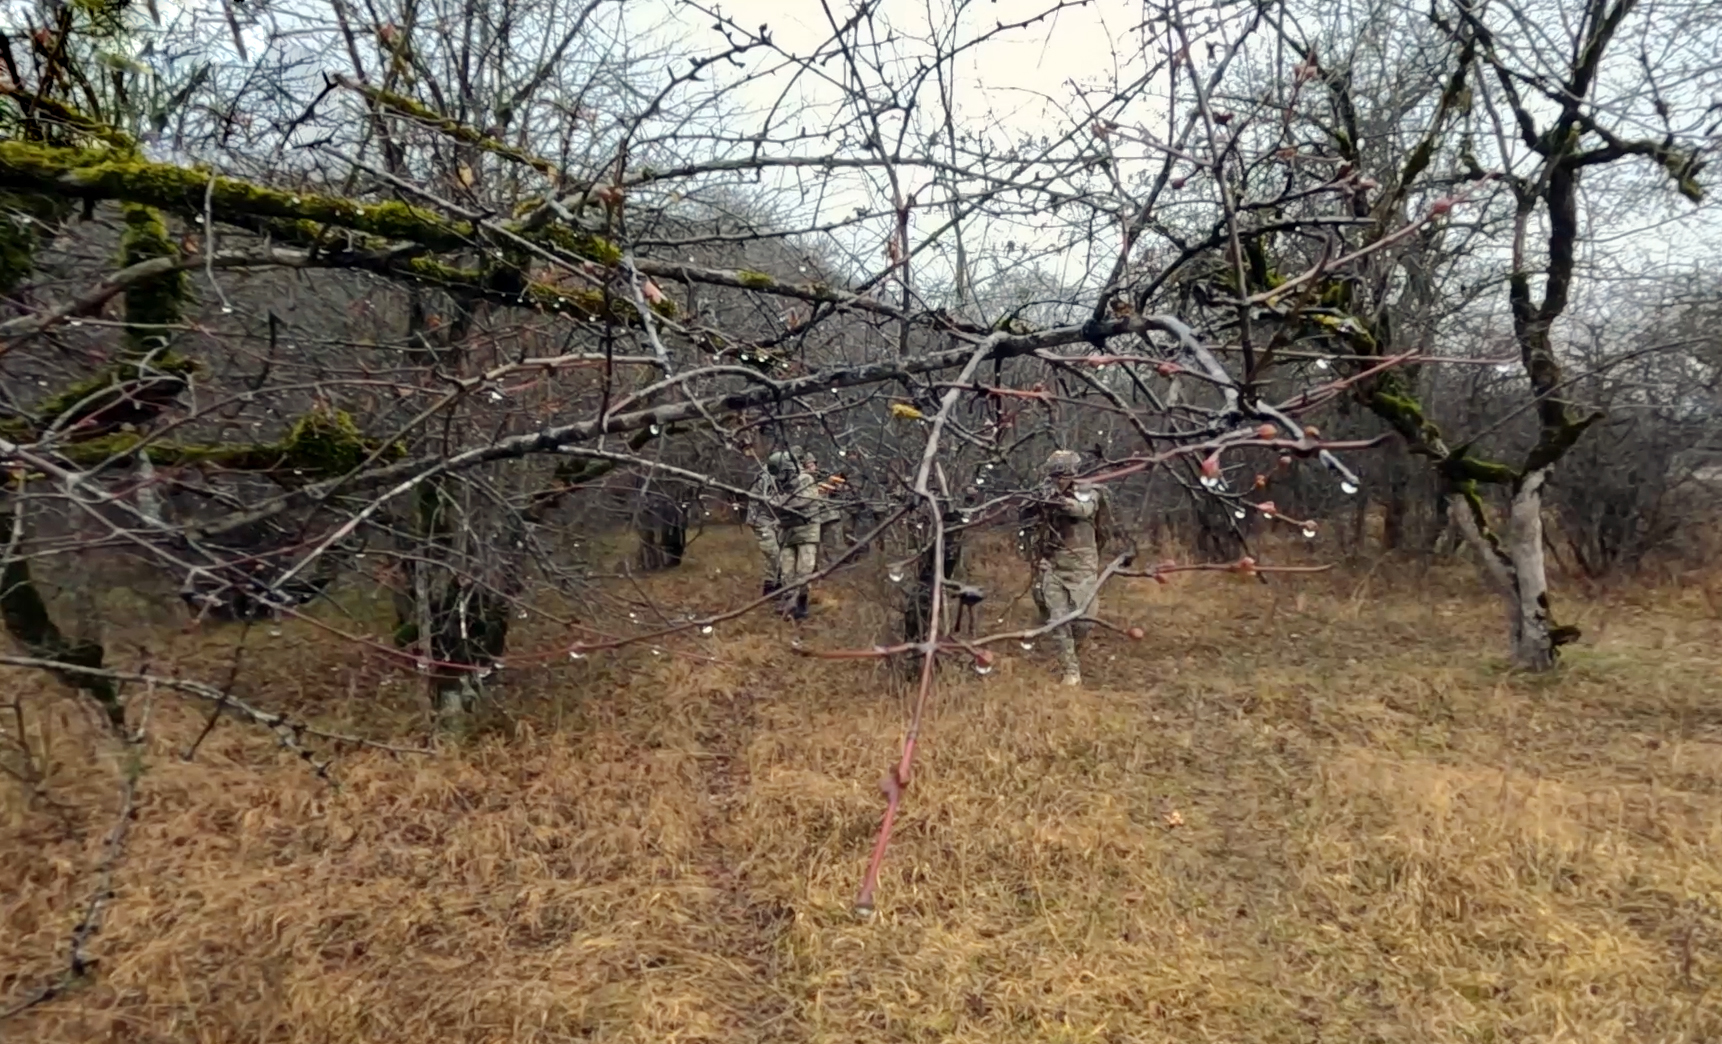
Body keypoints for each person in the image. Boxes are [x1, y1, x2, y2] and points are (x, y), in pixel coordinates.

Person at [1020, 449, 1113, 686]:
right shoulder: (1043, 491)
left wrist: (1058, 501)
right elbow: (1025, 517)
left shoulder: (1088, 491)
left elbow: (1084, 510)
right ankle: (1070, 671)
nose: (1059, 480)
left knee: (1085, 621)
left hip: (1083, 566)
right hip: (1053, 565)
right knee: (1058, 619)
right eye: (1055, 475)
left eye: (1064, 474)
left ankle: (1074, 652)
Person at [775, 445, 823, 619]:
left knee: (804, 570)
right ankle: (789, 602)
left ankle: (801, 604)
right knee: (786, 571)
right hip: (787, 531)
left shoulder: (805, 479)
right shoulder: (778, 480)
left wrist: (784, 504)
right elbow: (770, 500)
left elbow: (805, 500)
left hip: (807, 531)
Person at [747, 451, 793, 598]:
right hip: (760, 520)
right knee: (774, 554)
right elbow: (769, 500)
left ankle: (771, 586)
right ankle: (777, 587)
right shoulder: (766, 478)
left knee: (774, 554)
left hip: (772, 520)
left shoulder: (778, 477)